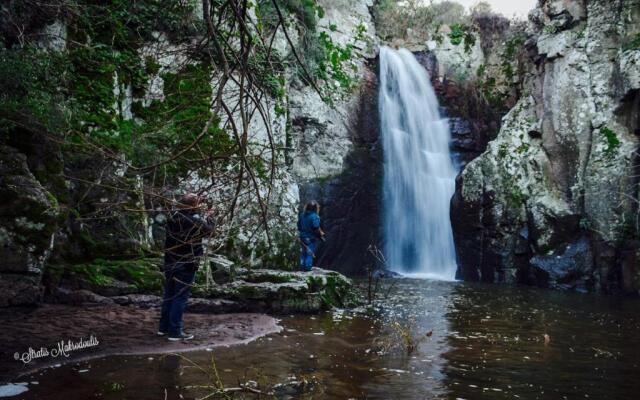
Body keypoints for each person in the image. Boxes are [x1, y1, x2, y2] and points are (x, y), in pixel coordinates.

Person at [158, 193, 214, 341]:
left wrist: (198, 211)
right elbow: (210, 231)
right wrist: (209, 216)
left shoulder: (173, 218)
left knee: (169, 296)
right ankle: (175, 332)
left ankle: (163, 328)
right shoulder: (194, 221)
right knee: (180, 298)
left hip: (170, 262)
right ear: (193, 206)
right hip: (187, 264)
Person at [297, 200, 325, 271]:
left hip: (302, 237)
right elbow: (315, 227)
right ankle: (307, 268)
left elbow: (299, 226)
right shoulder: (315, 216)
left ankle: (302, 267)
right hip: (311, 238)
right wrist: (320, 235)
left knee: (303, 252)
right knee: (309, 253)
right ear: (316, 208)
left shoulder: (302, 215)